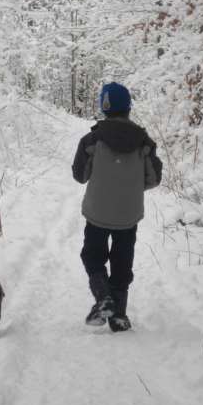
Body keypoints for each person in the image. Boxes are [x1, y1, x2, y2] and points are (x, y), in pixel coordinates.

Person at [71, 82, 162, 332]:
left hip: (97, 213)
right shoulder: (144, 142)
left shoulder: (92, 139)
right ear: (128, 107)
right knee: (122, 262)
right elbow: (154, 178)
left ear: (104, 105)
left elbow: (80, 174)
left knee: (92, 255)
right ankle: (119, 316)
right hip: (128, 215)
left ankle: (103, 298)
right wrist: (130, 187)